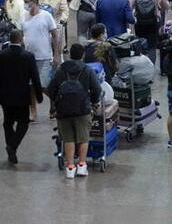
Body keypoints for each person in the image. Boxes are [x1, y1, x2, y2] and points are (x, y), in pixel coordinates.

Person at [47, 43, 101, 179]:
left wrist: (56, 102)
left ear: (70, 54)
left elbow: (50, 88)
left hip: (63, 110)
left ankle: (70, 167)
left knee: (68, 138)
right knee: (83, 137)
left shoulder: (61, 70)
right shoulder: (87, 70)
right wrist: (94, 102)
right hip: (83, 109)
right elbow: (96, 89)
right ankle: (82, 166)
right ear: (83, 55)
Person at [0, 30, 42, 163]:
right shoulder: (28, 56)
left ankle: (11, 147)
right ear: (21, 39)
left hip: (5, 96)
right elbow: (35, 77)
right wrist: (39, 95)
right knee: (23, 123)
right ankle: (12, 146)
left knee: (8, 123)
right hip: (22, 96)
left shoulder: (2, 55)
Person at [128, 0, 169, 67]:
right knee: (152, 46)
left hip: (139, 22)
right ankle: (150, 70)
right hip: (154, 21)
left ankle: (140, 68)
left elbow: (129, 6)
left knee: (139, 43)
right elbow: (166, 6)